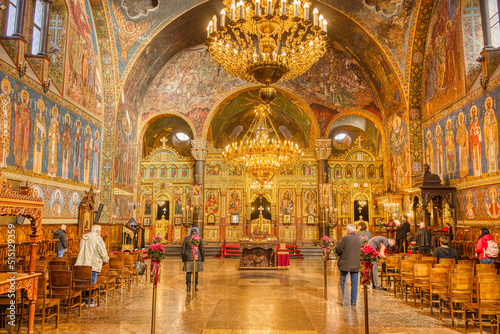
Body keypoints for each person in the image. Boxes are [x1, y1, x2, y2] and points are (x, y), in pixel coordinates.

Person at [75, 225, 109, 306]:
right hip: (92, 263)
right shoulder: (97, 239)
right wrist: (106, 260)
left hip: (82, 263)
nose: (100, 233)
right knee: (92, 283)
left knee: (83, 282)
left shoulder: (84, 238)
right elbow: (102, 251)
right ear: (97, 231)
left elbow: (80, 248)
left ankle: (83, 300)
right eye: (100, 231)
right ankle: (90, 301)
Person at [335, 224, 363, 306]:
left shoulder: (344, 238)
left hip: (345, 263)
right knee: (354, 284)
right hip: (356, 263)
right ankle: (353, 301)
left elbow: (338, 249)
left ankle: (342, 299)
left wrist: (341, 255)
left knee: (342, 282)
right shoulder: (359, 239)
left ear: (347, 230)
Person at [182, 227, 205, 292]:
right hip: (197, 257)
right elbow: (202, 250)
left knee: (188, 272)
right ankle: (195, 287)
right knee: (196, 272)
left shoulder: (186, 239)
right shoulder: (199, 238)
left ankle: (188, 287)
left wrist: (183, 259)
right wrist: (202, 259)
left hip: (188, 257)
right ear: (197, 232)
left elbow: (183, 250)